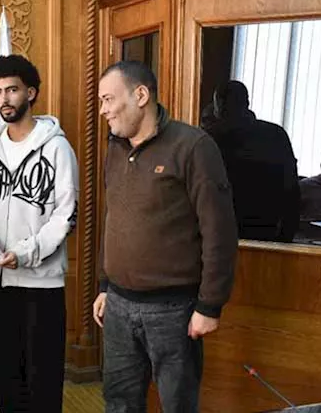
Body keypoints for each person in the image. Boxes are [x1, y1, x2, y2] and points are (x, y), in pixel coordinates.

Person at [92, 61, 237, 412]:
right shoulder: (116, 147)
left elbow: (219, 231)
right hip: (118, 306)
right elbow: (114, 217)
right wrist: (105, 284)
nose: (103, 110)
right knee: (119, 403)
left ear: (141, 95)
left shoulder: (193, 146)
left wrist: (209, 306)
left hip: (173, 310)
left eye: (109, 99)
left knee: (177, 405)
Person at [0, 54, 79, 413]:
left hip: (40, 280)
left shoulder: (57, 147)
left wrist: (26, 252)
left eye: (12, 90)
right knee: (4, 370)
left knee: (41, 373)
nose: (4, 99)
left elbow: (66, 214)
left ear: (30, 93)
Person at [203, 80, 300, 242]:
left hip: (260, 223)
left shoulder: (272, 136)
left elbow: (290, 186)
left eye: (228, 106)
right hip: (218, 223)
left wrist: (287, 233)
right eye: (222, 106)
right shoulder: (209, 138)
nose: (224, 111)